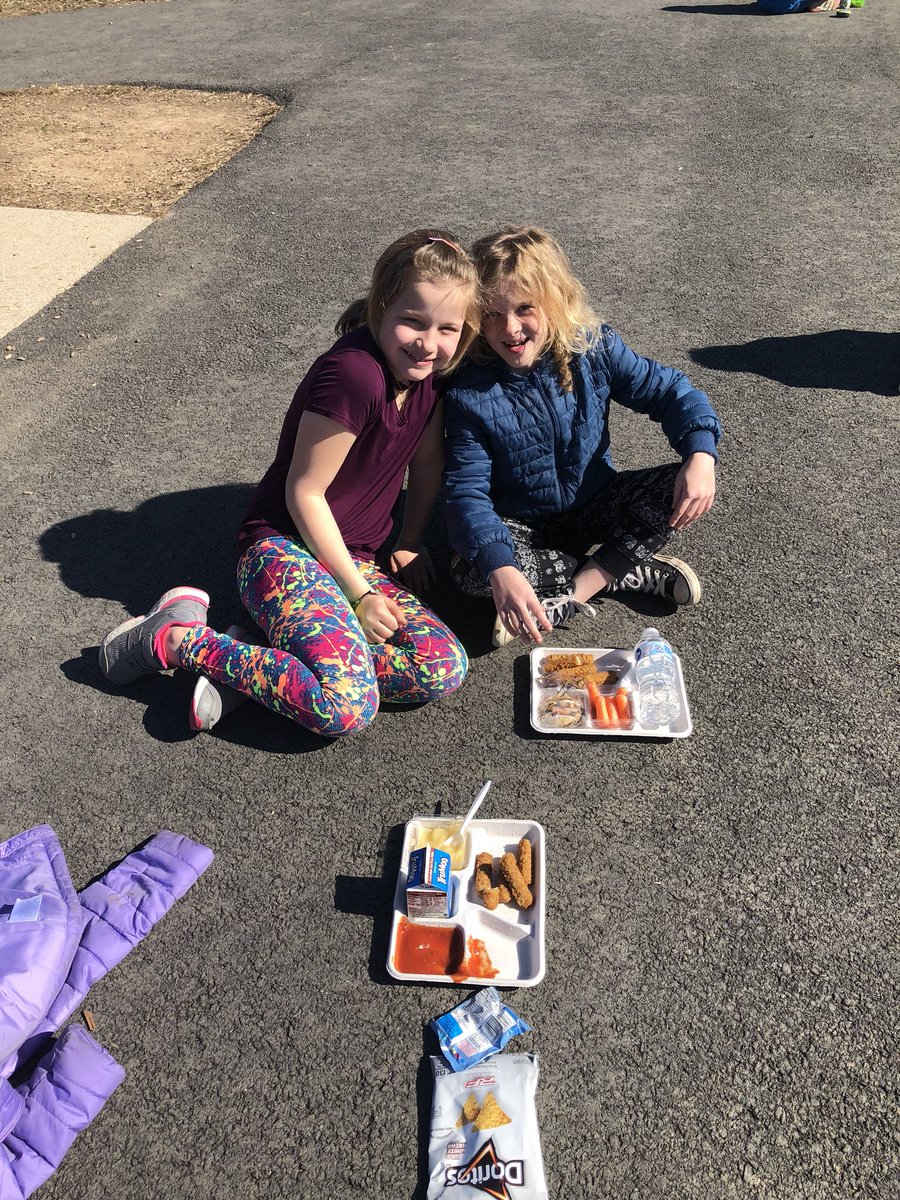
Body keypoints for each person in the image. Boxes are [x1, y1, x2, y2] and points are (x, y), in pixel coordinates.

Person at [99, 230, 479, 736]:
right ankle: (177, 639)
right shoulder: (354, 375)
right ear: (382, 307)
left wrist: (409, 541)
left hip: (352, 558)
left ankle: (267, 668)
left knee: (440, 666)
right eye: (413, 321)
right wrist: (360, 594)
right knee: (344, 708)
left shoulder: (430, 377)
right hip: (282, 551)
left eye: (447, 329)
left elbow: (427, 466)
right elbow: (305, 492)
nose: (429, 343)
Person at [443, 226, 722, 648]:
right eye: (492, 314)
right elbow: (466, 493)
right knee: (471, 568)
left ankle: (573, 590)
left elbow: (671, 391)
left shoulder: (593, 349)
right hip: (522, 523)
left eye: (524, 308)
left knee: (685, 482)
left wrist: (700, 453)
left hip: (595, 501)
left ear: (555, 301)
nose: (510, 328)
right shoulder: (470, 392)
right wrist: (503, 569)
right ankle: (617, 568)